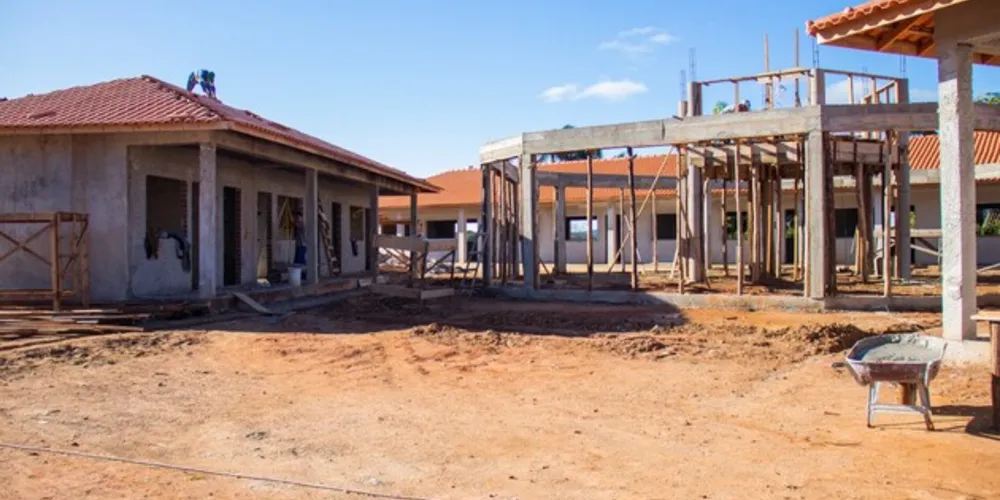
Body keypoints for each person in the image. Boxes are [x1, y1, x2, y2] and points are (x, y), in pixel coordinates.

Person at [293, 211, 307, 278]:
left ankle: (303, 276)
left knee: (301, 262)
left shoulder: (302, 224)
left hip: (302, 246)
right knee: (298, 262)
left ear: (301, 217)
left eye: (298, 217)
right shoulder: (300, 224)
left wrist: (292, 220)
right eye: (296, 218)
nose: (297, 219)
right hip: (299, 245)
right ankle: (300, 275)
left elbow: (296, 225)